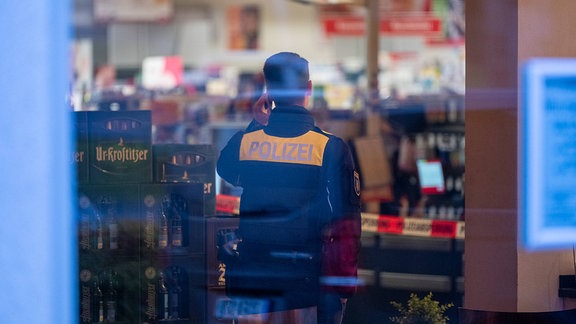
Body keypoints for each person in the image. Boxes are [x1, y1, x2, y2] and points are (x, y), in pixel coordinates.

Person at [217, 52, 362, 324]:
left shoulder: (246, 143)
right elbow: (347, 226)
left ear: (268, 91)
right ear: (308, 89)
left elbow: (226, 170)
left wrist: (256, 123)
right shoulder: (330, 148)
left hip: (253, 280)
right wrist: (342, 290)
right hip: (306, 285)